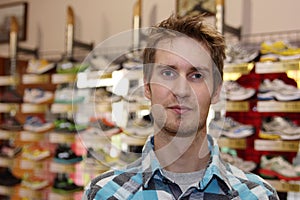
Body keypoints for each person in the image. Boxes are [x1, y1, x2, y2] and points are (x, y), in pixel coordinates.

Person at [83, 14, 279, 200]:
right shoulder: (104, 194)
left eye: (197, 75)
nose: (182, 91)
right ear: (147, 87)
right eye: (168, 73)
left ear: (217, 91)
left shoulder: (258, 195)